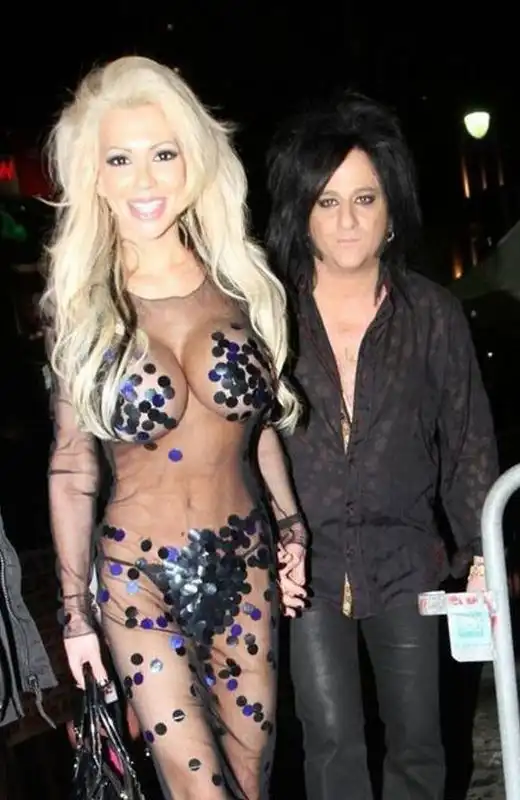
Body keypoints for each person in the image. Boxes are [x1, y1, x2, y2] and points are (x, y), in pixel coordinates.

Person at [43, 55, 307, 800]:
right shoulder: (81, 303)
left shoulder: (240, 284)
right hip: (138, 581)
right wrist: (76, 614)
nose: (144, 180)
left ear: (192, 162)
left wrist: (293, 530)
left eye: (162, 154)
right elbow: (71, 467)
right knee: (200, 792)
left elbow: (256, 428)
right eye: (119, 159)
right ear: (94, 177)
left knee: (251, 782)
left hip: (246, 567)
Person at [265, 92, 499, 800]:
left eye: (364, 199)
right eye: (328, 201)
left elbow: (468, 440)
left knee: (420, 745)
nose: (347, 220)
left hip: (408, 560)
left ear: (391, 209)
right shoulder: (267, 315)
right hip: (306, 565)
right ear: (301, 212)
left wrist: (480, 553)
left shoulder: (432, 314)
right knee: (330, 743)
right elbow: (245, 440)